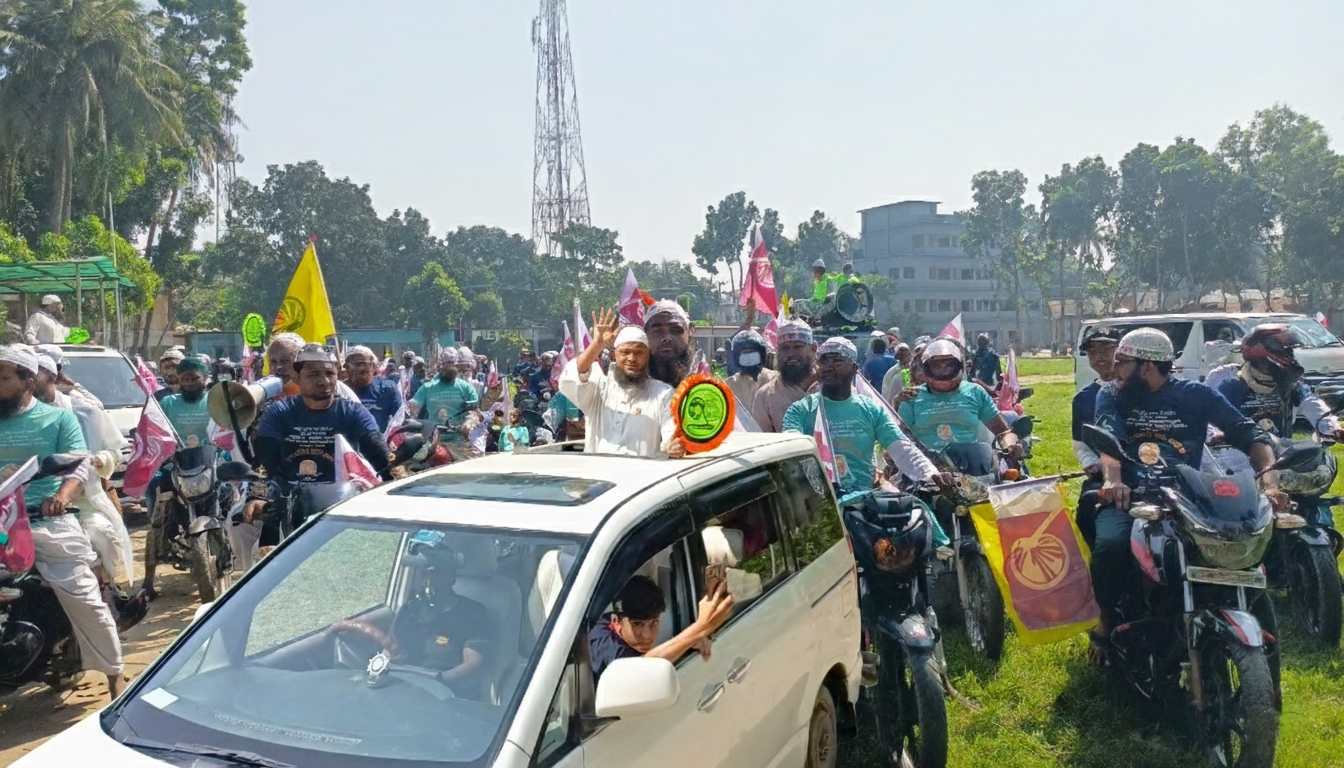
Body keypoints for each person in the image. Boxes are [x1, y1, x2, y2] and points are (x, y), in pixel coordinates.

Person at [1089, 328, 1280, 660]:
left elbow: (1249, 434)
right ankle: (1105, 623)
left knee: (1238, 538)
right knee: (1111, 545)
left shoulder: (1197, 395)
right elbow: (1110, 443)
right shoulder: (1111, 394)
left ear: (1146, 366)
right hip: (1130, 494)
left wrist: (1271, 483)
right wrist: (1113, 481)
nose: (1113, 368)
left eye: (1122, 361)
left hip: (1191, 495)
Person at [0, 346, 124, 696]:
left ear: (27, 380)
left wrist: (62, 497)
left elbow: (78, 464)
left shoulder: (58, 418)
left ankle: (115, 677)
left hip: (45, 522)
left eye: (4, 377)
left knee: (84, 598)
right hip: (1, 526)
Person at [244, 345, 389, 542]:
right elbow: (264, 460)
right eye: (314, 375)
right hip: (284, 503)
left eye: (330, 373)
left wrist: (397, 479)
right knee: (244, 534)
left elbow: (381, 456)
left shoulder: (354, 412)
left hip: (341, 504)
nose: (324, 381)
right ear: (297, 377)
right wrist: (257, 496)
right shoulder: (278, 412)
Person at [783, 337, 948, 494]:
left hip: (863, 502)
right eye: (823, 360)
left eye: (837, 360)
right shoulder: (800, 410)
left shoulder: (870, 409)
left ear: (855, 368)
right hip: (821, 505)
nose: (828, 366)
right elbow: (792, 449)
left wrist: (931, 474)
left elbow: (902, 449)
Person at [32, 351, 135, 591]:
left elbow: (116, 448)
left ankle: (104, 594)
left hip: (81, 501)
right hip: (23, 505)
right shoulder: (14, 417)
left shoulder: (83, 410)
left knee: (98, 535)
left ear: (52, 377)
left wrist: (100, 459)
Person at [561, 308, 683, 458]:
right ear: (613, 355)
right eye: (625, 352)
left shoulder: (662, 393)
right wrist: (597, 346)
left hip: (643, 479)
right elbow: (577, 374)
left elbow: (670, 432)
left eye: (638, 353)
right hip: (601, 478)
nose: (631, 358)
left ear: (648, 356)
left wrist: (672, 444)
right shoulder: (599, 389)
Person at [385, 541, 492, 699]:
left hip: (446, 697)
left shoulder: (473, 613)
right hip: (400, 691)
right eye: (424, 574)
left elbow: (473, 665)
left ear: (452, 578)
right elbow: (390, 649)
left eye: (437, 572)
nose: (429, 579)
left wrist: (433, 683)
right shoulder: (409, 610)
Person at [1209, 324, 1341, 441]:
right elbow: (1204, 411)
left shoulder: (1292, 385)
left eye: (1289, 350)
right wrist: (1214, 434)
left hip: (1280, 454)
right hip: (1234, 458)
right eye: (1283, 350)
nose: (1289, 355)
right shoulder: (1228, 379)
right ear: (1259, 353)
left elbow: (1315, 406)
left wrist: (1333, 429)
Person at [588, 574, 733, 679]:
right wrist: (699, 629)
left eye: (654, 623)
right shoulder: (608, 649)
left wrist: (688, 643)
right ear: (616, 621)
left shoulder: (610, 621)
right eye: (637, 624)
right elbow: (642, 668)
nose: (647, 635)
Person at [897, 339, 1022, 456]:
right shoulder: (912, 397)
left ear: (959, 365)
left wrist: (1011, 444)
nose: (943, 370)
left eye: (949, 365)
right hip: (927, 470)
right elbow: (900, 437)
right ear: (927, 368)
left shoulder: (975, 392)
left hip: (973, 468)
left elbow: (1002, 431)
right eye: (937, 365)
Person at [1070, 326, 1122, 547]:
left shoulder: (1138, 388)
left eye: (1106, 350)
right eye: (1092, 352)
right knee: (1087, 508)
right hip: (1104, 475)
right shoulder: (1084, 398)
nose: (1099, 357)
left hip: (1144, 470)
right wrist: (1091, 464)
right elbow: (1079, 443)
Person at [410, 347, 481, 460]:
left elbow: (474, 412)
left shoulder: (466, 388)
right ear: (440, 366)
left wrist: (468, 423)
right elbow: (412, 410)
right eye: (447, 364)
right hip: (434, 441)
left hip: (459, 442)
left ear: (458, 366)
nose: (451, 367)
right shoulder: (427, 387)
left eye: (453, 364)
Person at [751, 320, 817, 433]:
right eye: (785, 348)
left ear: (813, 348)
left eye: (798, 347)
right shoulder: (765, 396)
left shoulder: (833, 386)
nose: (791, 354)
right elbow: (763, 442)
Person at [344, 345, 404, 433]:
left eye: (362, 364)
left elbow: (400, 419)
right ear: (346, 368)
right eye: (354, 365)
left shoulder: (386, 389)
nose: (359, 369)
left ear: (373, 367)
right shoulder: (338, 390)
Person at [724, 329, 777, 415]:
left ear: (761, 353)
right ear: (737, 357)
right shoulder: (728, 384)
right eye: (744, 352)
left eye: (752, 351)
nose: (748, 355)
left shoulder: (775, 379)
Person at [644, 299, 695, 388]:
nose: (667, 338)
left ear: (690, 331)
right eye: (657, 331)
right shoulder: (632, 384)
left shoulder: (702, 383)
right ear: (645, 334)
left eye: (675, 330)